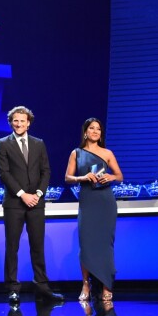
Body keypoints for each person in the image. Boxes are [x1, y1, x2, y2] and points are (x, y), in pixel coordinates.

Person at [0, 105, 64, 304]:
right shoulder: (2, 144)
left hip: (36, 202)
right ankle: (13, 288)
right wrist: (23, 194)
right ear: (10, 122)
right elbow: (4, 173)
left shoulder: (38, 143)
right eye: (15, 120)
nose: (18, 124)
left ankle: (42, 286)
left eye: (22, 120)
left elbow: (46, 171)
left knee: (37, 246)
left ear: (29, 123)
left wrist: (39, 193)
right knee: (12, 246)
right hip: (14, 203)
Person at [65, 117, 123, 302]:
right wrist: (83, 178)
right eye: (92, 128)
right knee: (86, 244)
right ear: (85, 132)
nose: (96, 131)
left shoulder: (107, 153)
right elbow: (67, 177)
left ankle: (107, 285)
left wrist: (110, 177)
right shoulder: (77, 153)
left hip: (105, 201)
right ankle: (85, 284)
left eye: (98, 129)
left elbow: (120, 175)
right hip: (88, 200)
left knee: (106, 244)